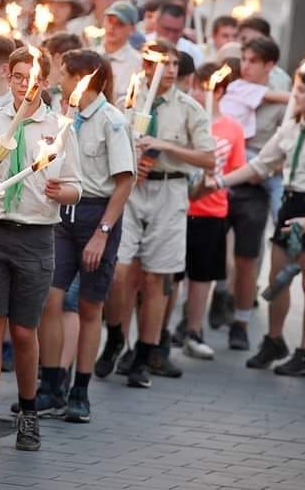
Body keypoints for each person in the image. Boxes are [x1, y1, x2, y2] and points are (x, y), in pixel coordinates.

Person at [0, 46, 82, 454]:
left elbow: (77, 186)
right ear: (9, 77)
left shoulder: (60, 127)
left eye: (35, 78)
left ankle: (29, 413)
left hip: (36, 234)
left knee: (24, 330)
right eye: (20, 77)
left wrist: (64, 191)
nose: (27, 85)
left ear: (47, 82)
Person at [208, 68, 305, 378]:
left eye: (301, 91)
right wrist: (218, 182)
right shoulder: (290, 130)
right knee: (277, 282)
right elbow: (260, 165)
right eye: (296, 89)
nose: (294, 96)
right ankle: (274, 341)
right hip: (291, 204)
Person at [35, 50, 134, 422]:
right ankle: (51, 384)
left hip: (97, 213)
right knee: (51, 299)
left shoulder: (111, 121)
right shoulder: (63, 116)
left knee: (90, 306)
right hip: (63, 212)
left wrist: (102, 233)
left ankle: (81, 389)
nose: (59, 80)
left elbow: (124, 182)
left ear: (82, 78)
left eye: (64, 74)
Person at [113, 42, 215, 388]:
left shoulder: (189, 108)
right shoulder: (126, 100)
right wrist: (129, 164)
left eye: (174, 64)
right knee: (121, 270)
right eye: (162, 63)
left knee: (157, 277)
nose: (169, 69)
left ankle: (145, 351)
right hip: (132, 190)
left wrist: (166, 147)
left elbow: (208, 158)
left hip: (170, 190)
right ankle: (117, 338)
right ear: (145, 64)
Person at [217, 34, 291, 349]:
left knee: (247, 257)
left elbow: (285, 146)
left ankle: (241, 322)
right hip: (221, 179)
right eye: (243, 60)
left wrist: (268, 169)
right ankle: (204, 309)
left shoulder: (280, 102)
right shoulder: (231, 91)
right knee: (211, 250)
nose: (245, 67)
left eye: (253, 62)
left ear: (270, 65)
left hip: (254, 185)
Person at [176, 61, 246, 359]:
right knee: (171, 275)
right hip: (179, 208)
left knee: (202, 276)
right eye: (193, 85)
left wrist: (212, 183)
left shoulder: (232, 128)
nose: (195, 92)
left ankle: (194, 330)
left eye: (202, 87)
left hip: (211, 211)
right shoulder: (183, 120)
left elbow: (236, 169)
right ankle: (164, 332)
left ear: (218, 91)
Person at [100, 0, 144, 105]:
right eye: (110, 21)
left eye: (120, 24)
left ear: (132, 29)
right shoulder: (90, 55)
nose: (112, 27)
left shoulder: (138, 64)